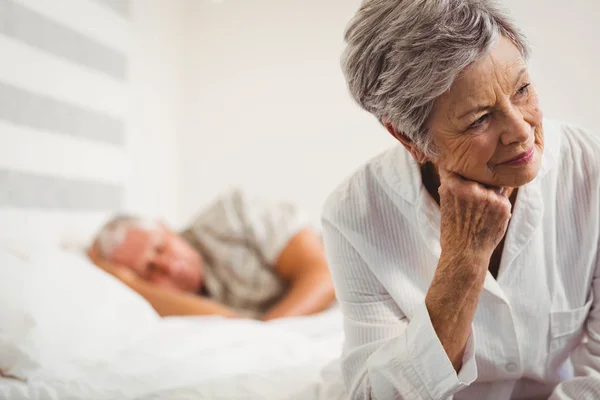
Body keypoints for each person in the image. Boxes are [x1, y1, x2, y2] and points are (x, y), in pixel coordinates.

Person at [322, 0, 600, 399]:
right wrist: (464, 261)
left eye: (522, 89)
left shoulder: (591, 170)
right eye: (480, 119)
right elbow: (373, 394)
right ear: (408, 138)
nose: (520, 131)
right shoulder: (354, 215)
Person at [88, 189, 335, 321]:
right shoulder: (170, 307)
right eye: (150, 271)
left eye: (160, 248)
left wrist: (267, 334)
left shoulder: (232, 214)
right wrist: (129, 284)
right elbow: (229, 324)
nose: (170, 268)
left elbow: (324, 275)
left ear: (165, 227)